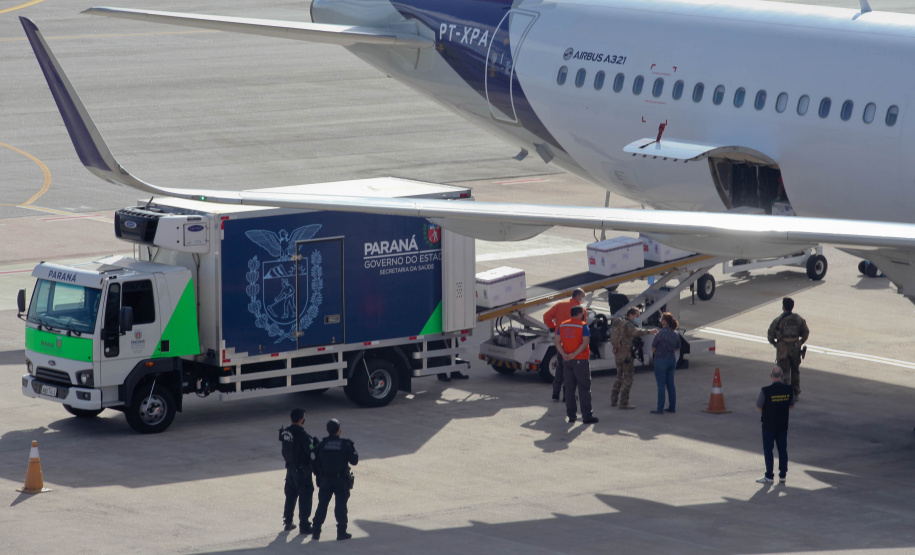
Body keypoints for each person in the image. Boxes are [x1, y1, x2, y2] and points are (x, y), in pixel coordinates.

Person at [312, 419, 359, 541]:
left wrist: (319, 474)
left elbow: (313, 461)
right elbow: (354, 461)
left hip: (326, 480)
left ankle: (316, 532)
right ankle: (341, 532)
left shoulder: (322, 444)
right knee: (341, 506)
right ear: (339, 430)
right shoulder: (345, 444)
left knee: (322, 505)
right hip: (340, 480)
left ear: (327, 430)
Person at [554, 306, 598, 424]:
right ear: (579, 314)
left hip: (567, 361)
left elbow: (557, 341)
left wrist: (564, 354)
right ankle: (587, 416)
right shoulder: (582, 325)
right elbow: (585, 342)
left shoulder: (562, 325)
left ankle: (571, 416)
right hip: (580, 360)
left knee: (569, 390)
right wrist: (574, 354)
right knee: (584, 389)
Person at [543, 288, 587, 402]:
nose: (583, 300)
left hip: (561, 343)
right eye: (583, 297)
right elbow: (583, 327)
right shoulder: (581, 311)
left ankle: (555, 394)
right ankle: (567, 395)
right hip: (574, 345)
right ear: (578, 297)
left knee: (560, 367)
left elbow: (546, 316)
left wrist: (553, 328)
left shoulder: (559, 305)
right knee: (571, 372)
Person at [610, 307, 658, 409]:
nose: (637, 318)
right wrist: (649, 331)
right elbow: (636, 332)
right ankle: (623, 403)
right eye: (636, 316)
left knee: (619, 376)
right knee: (628, 378)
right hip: (626, 354)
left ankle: (613, 400)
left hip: (617, 352)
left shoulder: (618, 322)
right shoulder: (628, 325)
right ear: (630, 315)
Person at [755, 367, 796, 484]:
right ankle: (783, 475)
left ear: (771, 376)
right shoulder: (789, 390)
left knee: (768, 450)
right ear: (782, 376)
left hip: (769, 426)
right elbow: (791, 406)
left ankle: (769, 475)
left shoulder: (765, 391)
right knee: (782, 450)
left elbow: (758, 407)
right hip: (783, 425)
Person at [279, 407, 315, 533]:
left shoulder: (286, 432)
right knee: (305, 495)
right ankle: (304, 525)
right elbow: (310, 453)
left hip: (290, 469)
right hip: (301, 471)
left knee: (290, 495)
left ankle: (288, 522)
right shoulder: (302, 435)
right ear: (301, 419)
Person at [767, 297, 809, 398]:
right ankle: (795, 392)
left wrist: (776, 344)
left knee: (784, 371)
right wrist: (800, 342)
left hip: (783, 349)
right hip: (795, 347)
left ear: (783, 307)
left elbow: (770, 335)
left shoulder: (778, 320)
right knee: (795, 371)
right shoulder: (798, 319)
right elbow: (806, 332)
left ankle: (786, 393)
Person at [650, 312, 679, 414]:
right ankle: (672, 407)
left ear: (664, 321)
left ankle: (660, 408)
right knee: (671, 385)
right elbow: (677, 348)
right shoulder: (675, 334)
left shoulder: (660, 333)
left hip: (661, 360)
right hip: (671, 360)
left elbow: (653, 348)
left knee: (661, 385)